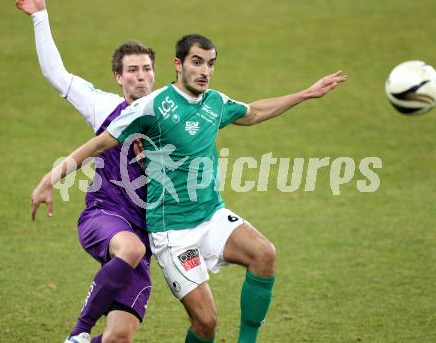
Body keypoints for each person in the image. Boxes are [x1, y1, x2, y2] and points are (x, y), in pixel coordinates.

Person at [31, 34, 347, 342]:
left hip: (211, 216)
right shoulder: (151, 106)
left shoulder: (215, 102)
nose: (205, 71)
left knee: (264, 254)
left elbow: (253, 113)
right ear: (178, 65)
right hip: (173, 232)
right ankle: (80, 333)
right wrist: (50, 178)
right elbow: (100, 144)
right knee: (206, 323)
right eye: (197, 62)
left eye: (211, 63)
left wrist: (305, 94)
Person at [17, 0, 156, 342]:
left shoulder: (167, 117)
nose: (141, 76)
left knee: (118, 338)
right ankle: (77, 333)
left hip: (145, 235)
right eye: (133, 70)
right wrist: (40, 16)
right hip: (103, 216)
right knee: (131, 248)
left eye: (147, 68)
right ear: (118, 77)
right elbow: (56, 75)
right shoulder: (103, 106)